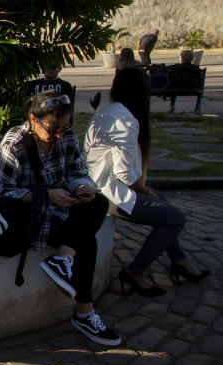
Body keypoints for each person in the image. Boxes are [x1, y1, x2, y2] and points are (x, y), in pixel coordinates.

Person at [0, 90, 120, 346]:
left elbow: (78, 171)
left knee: (98, 202)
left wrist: (81, 188)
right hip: (30, 215)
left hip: (63, 209)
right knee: (86, 240)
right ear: (33, 119)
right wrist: (47, 196)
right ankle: (84, 312)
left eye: (64, 127)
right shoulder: (15, 143)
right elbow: (0, 193)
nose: (58, 135)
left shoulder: (67, 136)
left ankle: (63, 259)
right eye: (52, 130)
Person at [84, 68, 208, 293]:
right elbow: (125, 175)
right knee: (176, 219)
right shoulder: (125, 119)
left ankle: (179, 261)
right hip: (111, 194)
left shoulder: (108, 109)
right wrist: (144, 190)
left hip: (100, 185)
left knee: (164, 202)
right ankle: (134, 271)